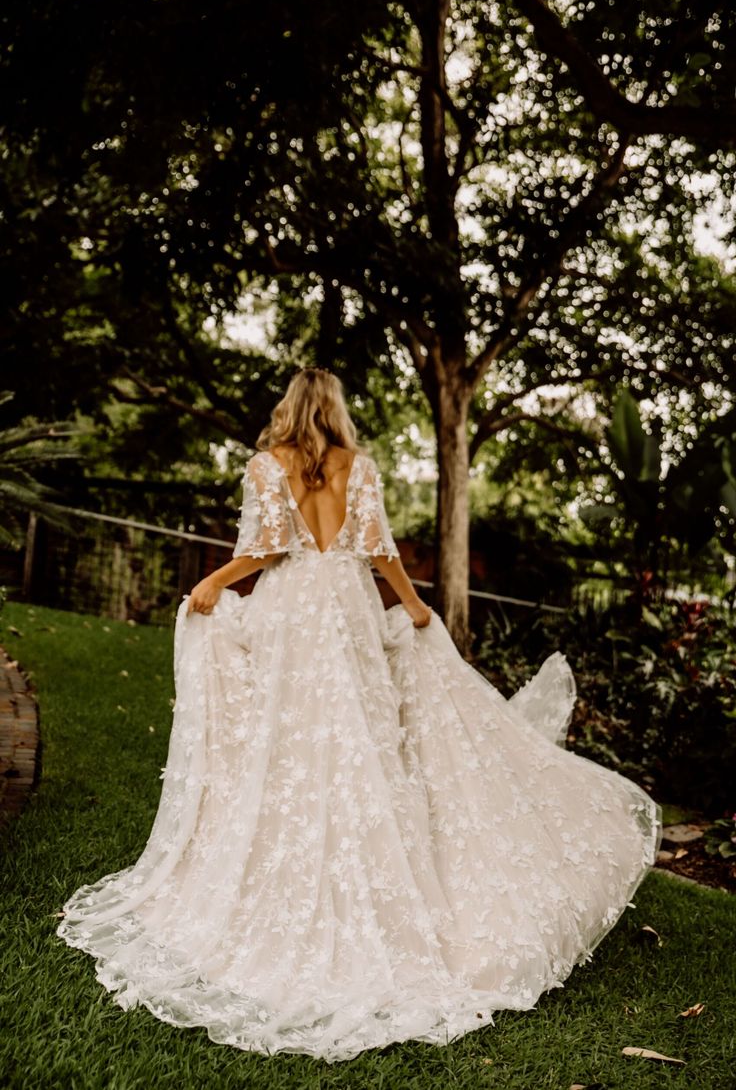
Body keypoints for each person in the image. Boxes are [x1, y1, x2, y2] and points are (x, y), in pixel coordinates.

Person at [56, 367, 662, 1064]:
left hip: (291, 614)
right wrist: (412, 605)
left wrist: (210, 583)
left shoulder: (265, 465)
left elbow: (265, 551)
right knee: (365, 744)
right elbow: (378, 553)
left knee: (289, 744)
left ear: (288, 411)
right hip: (345, 612)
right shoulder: (360, 468)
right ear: (336, 412)